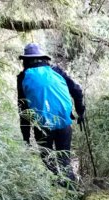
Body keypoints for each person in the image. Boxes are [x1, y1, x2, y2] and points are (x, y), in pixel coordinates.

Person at [17, 42, 85, 182]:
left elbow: (23, 108)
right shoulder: (56, 71)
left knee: (49, 163)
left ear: (25, 61)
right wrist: (80, 112)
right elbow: (77, 90)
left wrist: (26, 138)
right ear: (44, 58)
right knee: (65, 162)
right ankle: (73, 193)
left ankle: (58, 192)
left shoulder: (23, 77)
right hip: (64, 123)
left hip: (42, 127)